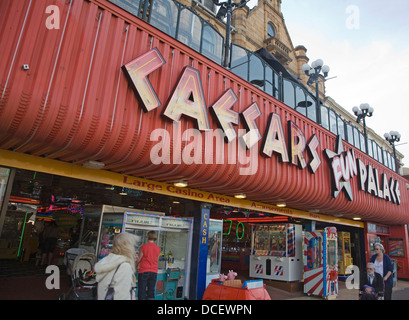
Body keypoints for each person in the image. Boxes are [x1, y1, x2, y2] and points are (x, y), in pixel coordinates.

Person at [94, 232, 137, 300]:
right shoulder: (124, 266)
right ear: (128, 248)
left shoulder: (107, 261)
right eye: (133, 246)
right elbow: (122, 296)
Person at [136, 230, 161, 300]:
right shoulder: (158, 248)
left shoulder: (144, 247)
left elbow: (139, 259)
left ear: (147, 237)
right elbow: (157, 260)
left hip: (144, 271)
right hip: (154, 271)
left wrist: (135, 265)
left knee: (142, 291)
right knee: (151, 291)